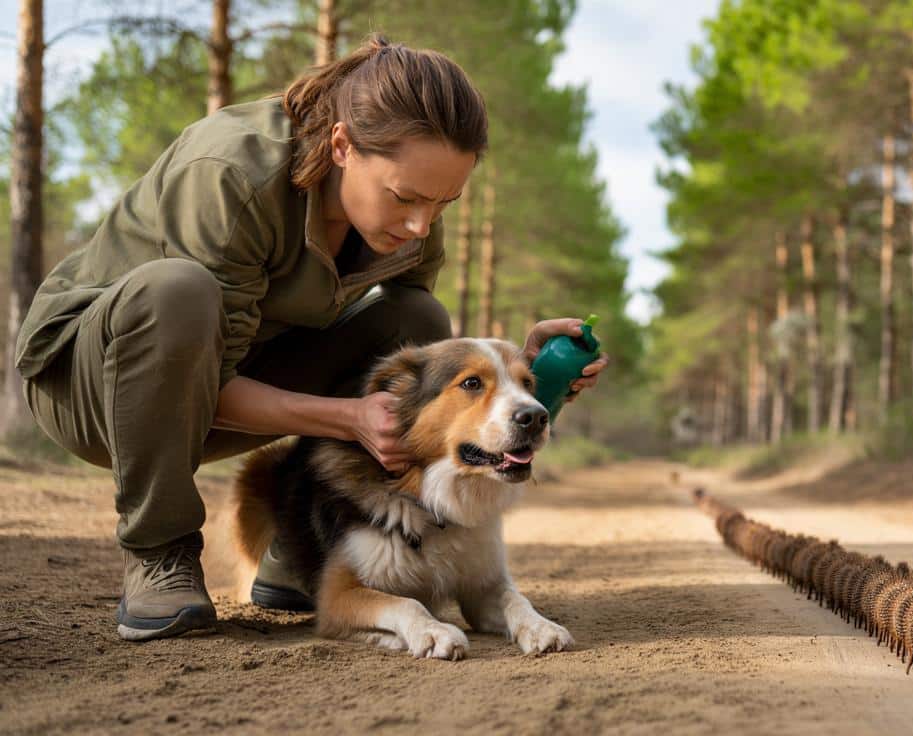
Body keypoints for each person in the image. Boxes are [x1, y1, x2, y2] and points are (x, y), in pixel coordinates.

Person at [14, 35, 608, 642]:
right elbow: (199, 371)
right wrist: (348, 416)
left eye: (442, 202)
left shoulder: (411, 218)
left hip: (235, 375)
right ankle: (157, 551)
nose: (419, 226)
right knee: (177, 292)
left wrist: (521, 374)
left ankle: (302, 551)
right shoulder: (229, 172)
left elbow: (432, 372)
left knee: (418, 319)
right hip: (94, 388)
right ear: (343, 145)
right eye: (404, 198)